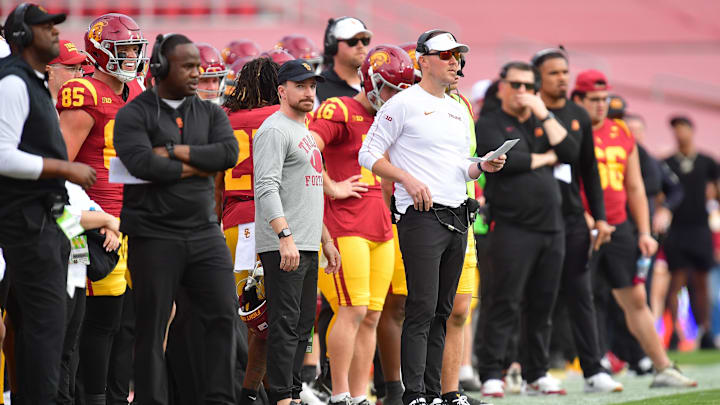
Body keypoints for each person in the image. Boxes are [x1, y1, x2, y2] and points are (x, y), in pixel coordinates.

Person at [359, 30, 504, 405]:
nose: (455, 62)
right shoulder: (403, 103)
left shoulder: (457, 107)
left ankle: (435, 392)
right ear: (423, 60)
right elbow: (368, 154)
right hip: (421, 215)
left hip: (458, 214)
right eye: (446, 55)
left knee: (442, 308)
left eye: (458, 56)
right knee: (421, 307)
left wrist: (482, 167)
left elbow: (459, 168)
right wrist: (406, 178)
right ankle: (415, 395)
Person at [113, 33, 240, 404]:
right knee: (151, 327)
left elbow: (227, 154)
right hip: (153, 234)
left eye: (198, 66)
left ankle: (218, 398)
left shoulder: (211, 111)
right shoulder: (134, 113)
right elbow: (141, 163)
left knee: (221, 314)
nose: (196, 74)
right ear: (160, 68)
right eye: (187, 66)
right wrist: (198, 163)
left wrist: (174, 152)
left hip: (203, 233)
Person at [571, 69, 697, 388]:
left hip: (620, 226)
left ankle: (662, 366)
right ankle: (591, 367)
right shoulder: (571, 129)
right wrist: (584, 217)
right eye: (595, 100)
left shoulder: (621, 131)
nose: (602, 106)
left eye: (604, 99)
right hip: (581, 224)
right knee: (580, 297)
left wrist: (643, 231)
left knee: (635, 298)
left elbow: (636, 186)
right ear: (579, 99)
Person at [0, 4, 96, 403]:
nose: (55, 34)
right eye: (45, 29)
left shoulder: (32, 81)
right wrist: (63, 168)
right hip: (27, 219)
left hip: (47, 219)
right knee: (44, 326)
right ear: (22, 37)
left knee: (50, 326)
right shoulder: (12, 83)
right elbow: (2, 154)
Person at [310, 45, 414, 405]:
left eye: (402, 89)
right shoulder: (339, 108)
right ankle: (337, 393)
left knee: (371, 314)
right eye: (389, 87)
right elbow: (305, 148)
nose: (395, 96)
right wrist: (331, 186)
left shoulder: (393, 117)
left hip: (381, 224)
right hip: (343, 222)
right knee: (351, 309)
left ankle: (358, 395)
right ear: (370, 80)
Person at [55, 13, 147, 404]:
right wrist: (96, 220)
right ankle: (93, 397)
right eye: (122, 50)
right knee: (101, 322)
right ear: (100, 52)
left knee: (136, 322)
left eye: (133, 49)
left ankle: (118, 395)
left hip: (137, 220)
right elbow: (62, 166)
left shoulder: (139, 93)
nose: (130, 57)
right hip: (100, 222)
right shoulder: (84, 93)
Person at [475, 61, 575, 398]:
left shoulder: (539, 120)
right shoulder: (489, 121)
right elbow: (504, 163)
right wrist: (545, 159)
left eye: (528, 86)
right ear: (501, 86)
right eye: (515, 85)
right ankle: (492, 370)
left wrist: (544, 114)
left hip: (552, 227)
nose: (521, 92)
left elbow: (570, 151)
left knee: (543, 304)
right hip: (512, 227)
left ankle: (537, 372)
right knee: (503, 302)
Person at [531, 47, 621, 393]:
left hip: (571, 218)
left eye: (565, 72)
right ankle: (528, 368)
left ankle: (593, 368)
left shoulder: (577, 115)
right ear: (538, 77)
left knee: (581, 294)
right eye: (554, 73)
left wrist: (599, 217)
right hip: (533, 219)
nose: (562, 78)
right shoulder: (527, 114)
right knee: (534, 296)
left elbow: (589, 173)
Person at [253, 59, 341, 405]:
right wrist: (284, 235)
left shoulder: (303, 131)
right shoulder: (275, 130)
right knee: (285, 325)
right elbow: (266, 187)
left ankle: (291, 392)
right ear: (282, 90)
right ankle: (282, 397)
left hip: (306, 242)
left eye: (312, 86)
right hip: (285, 244)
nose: (308, 93)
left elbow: (309, 190)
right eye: (300, 86)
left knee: (303, 327)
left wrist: (326, 239)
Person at [218, 56, 282, 405]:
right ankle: (264, 392)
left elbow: (216, 184)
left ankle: (253, 392)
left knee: (254, 317)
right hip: (269, 221)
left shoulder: (225, 119)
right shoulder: (280, 119)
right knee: (267, 318)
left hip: (233, 220)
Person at [663, 116, 719, 349]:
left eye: (683, 129)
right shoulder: (666, 163)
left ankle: (704, 331)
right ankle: (674, 333)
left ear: (691, 130)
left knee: (701, 281)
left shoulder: (707, 161)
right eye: (676, 130)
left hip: (700, 228)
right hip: (676, 229)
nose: (679, 134)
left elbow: (716, 191)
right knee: (675, 281)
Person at [318, 16, 372, 102]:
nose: (361, 46)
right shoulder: (317, 87)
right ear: (332, 45)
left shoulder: (377, 83)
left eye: (365, 40)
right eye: (352, 41)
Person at [46, 39, 85, 103]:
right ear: (50, 72)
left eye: (80, 69)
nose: (80, 75)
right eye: (72, 69)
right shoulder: (34, 107)